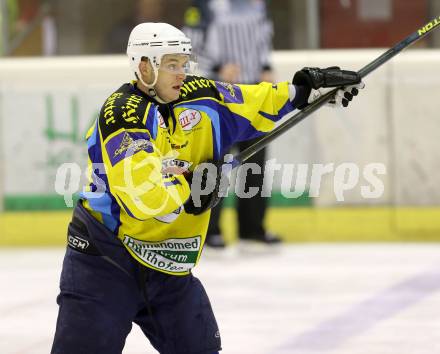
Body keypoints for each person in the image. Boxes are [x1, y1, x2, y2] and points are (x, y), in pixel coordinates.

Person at [51, 22, 364, 354]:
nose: (181, 73)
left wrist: (306, 91)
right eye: (171, 65)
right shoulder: (121, 117)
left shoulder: (201, 96)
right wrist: (194, 188)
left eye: (183, 64)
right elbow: (144, 197)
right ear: (144, 66)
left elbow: (254, 100)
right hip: (105, 261)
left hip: (168, 266)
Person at [183, 0, 280, 249]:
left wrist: (266, 66)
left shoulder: (257, 4)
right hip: (218, 95)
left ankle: (252, 227)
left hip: (254, 93)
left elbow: (264, 36)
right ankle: (209, 228)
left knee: (255, 164)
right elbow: (187, 48)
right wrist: (216, 68)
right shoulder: (204, 6)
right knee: (214, 165)